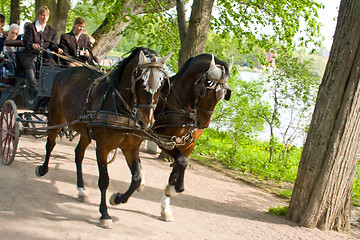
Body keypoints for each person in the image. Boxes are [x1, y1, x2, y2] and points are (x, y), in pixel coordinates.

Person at [19, 5, 63, 101]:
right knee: (29, 63)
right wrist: (33, 45)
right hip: (29, 54)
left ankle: (50, 91)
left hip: (44, 55)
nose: (44, 18)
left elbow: (53, 45)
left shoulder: (51, 31)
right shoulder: (30, 27)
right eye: (42, 15)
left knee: (52, 65)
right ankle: (34, 89)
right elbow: (27, 42)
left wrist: (57, 49)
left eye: (46, 16)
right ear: (38, 15)